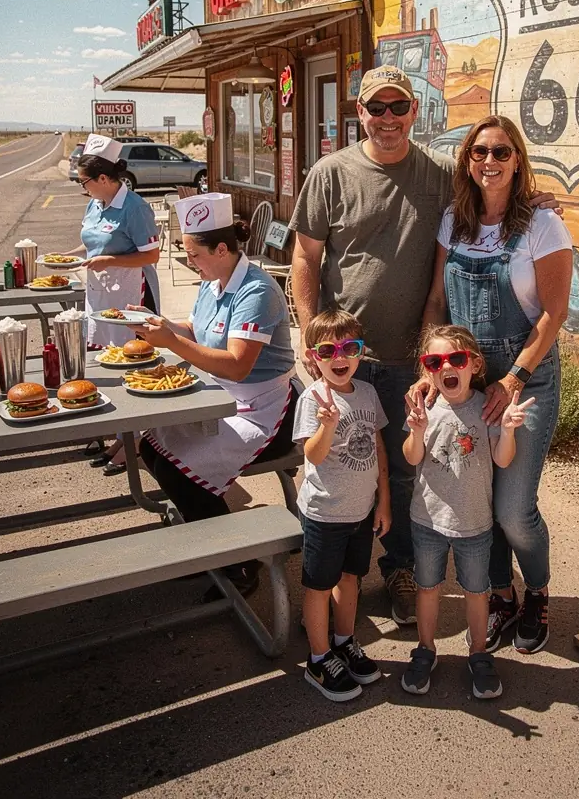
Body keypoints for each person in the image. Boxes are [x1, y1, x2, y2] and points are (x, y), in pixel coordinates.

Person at [290, 65, 559, 625]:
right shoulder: (330, 173)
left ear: (414, 111)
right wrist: (313, 344)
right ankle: (342, 573)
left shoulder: (441, 175)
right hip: (347, 359)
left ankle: (407, 572)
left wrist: (535, 203)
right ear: (359, 112)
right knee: (352, 462)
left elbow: (494, 194)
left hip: (433, 364)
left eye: (398, 107)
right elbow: (304, 259)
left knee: (420, 470)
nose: (387, 119)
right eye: (376, 108)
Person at [420, 114, 572, 655]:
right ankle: (501, 595)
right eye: (480, 151)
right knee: (479, 501)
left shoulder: (543, 225)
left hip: (525, 381)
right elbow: (438, 302)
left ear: (518, 160)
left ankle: (537, 594)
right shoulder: (453, 222)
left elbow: (553, 315)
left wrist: (514, 377)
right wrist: (430, 368)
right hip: (468, 378)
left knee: (513, 508)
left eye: (502, 153)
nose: (490, 161)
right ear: (467, 159)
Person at [132, 192, 295, 596]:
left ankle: (239, 562)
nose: (190, 261)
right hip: (226, 399)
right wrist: (157, 323)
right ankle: (210, 543)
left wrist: (169, 340)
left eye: (194, 254)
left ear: (222, 248)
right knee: (153, 447)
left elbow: (237, 364)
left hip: (269, 410)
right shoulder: (214, 279)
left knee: (177, 466)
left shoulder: (256, 291)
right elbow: (195, 331)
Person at [402, 325, 534, 700]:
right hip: (427, 519)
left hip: (475, 523)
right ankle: (425, 648)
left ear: (474, 364)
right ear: (427, 370)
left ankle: (478, 654)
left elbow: (502, 459)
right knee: (428, 588)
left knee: (477, 592)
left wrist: (507, 430)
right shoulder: (423, 407)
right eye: (435, 361)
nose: (447, 366)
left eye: (456, 358)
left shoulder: (487, 408)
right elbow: (411, 457)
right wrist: (415, 431)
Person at [292, 308, 390, 702]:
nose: (340, 357)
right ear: (314, 356)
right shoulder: (312, 399)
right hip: (324, 512)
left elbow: (379, 449)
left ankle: (344, 641)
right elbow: (313, 455)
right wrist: (328, 424)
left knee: (351, 578)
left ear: (361, 353)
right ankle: (318, 658)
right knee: (318, 587)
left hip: (361, 510)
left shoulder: (367, 393)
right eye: (328, 350)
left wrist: (385, 502)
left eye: (350, 348)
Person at [63, 133, 160, 348]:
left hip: (132, 292)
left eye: (84, 182)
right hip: (100, 291)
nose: (83, 188)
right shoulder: (94, 204)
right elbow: (93, 245)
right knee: (101, 348)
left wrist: (108, 261)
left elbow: (152, 255)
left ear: (103, 179)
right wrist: (68, 257)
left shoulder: (135, 208)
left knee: (131, 352)